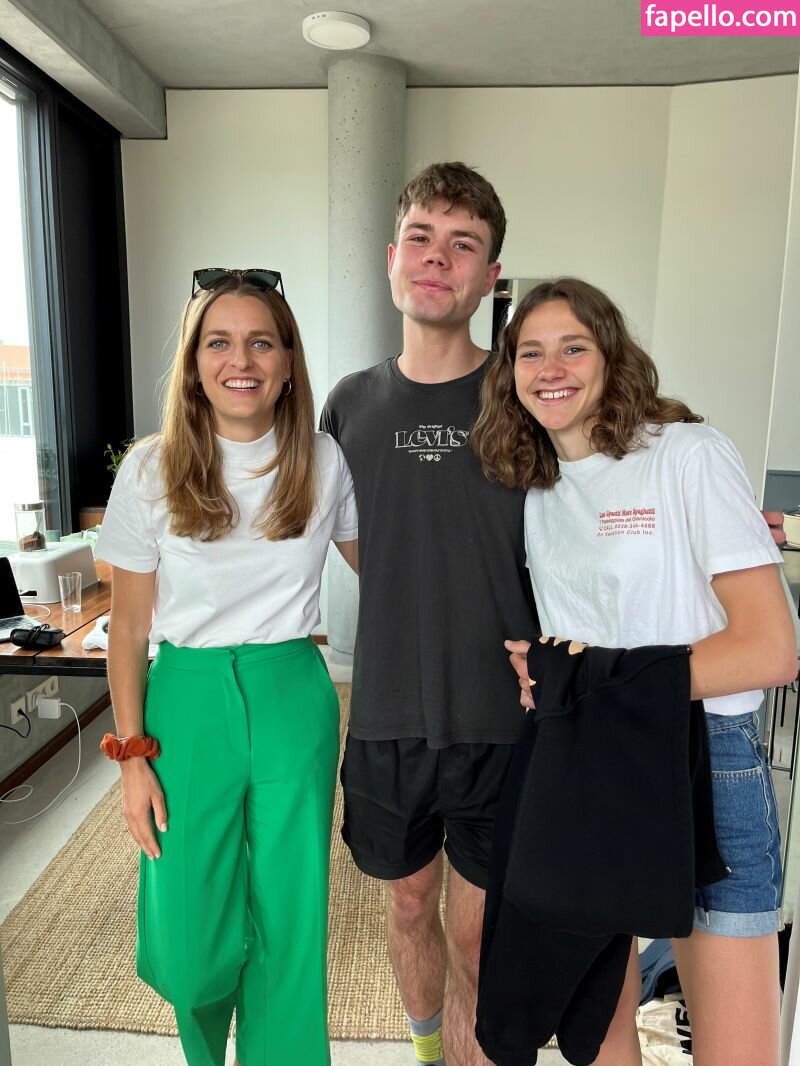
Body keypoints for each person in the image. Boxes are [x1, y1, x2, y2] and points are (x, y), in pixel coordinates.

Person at [471, 276, 798, 1066]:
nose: (551, 369)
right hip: (590, 763)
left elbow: (769, 649)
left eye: (573, 348)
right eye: (529, 353)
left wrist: (586, 681)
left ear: (611, 356)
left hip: (705, 759)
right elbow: (582, 646)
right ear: (509, 373)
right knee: (595, 1036)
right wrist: (545, 674)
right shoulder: (539, 486)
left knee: (738, 1054)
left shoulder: (686, 454)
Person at [95, 268, 358, 1066]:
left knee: (289, 919)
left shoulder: (323, 460)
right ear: (194, 361)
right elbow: (129, 626)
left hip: (292, 694)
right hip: (187, 700)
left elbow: (392, 572)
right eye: (219, 342)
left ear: (288, 362)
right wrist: (131, 758)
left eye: (260, 342)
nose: (240, 360)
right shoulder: (149, 469)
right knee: (188, 934)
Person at [321, 162, 537, 1066]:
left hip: (504, 716)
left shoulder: (527, 396)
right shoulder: (348, 404)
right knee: (409, 902)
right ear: (391, 259)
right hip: (387, 715)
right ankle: (423, 1053)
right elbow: (351, 538)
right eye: (422, 238)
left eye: (463, 245)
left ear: (490, 277)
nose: (437, 259)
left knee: (480, 937)